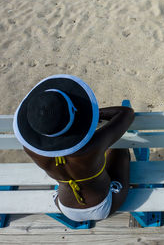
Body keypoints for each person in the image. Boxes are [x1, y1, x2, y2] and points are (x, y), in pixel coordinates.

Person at [13, 74, 134, 222]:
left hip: (65, 206)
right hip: (102, 205)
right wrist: (95, 115)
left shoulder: (30, 149)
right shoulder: (92, 146)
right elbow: (126, 114)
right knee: (120, 150)